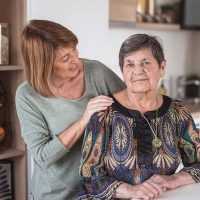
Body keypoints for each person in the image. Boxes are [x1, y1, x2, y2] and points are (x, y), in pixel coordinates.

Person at [79, 34, 200, 200]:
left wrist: (173, 179)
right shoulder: (103, 112)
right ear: (122, 70)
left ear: (162, 67)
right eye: (130, 64)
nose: (138, 71)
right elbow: (88, 177)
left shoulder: (178, 111)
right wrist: (131, 191)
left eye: (146, 63)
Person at [15, 19, 126, 200]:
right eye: (66, 58)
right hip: (57, 195)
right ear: (44, 64)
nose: (76, 59)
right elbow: (43, 156)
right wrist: (84, 120)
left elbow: (132, 111)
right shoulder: (27, 95)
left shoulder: (96, 71)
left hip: (102, 189)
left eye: (74, 49)